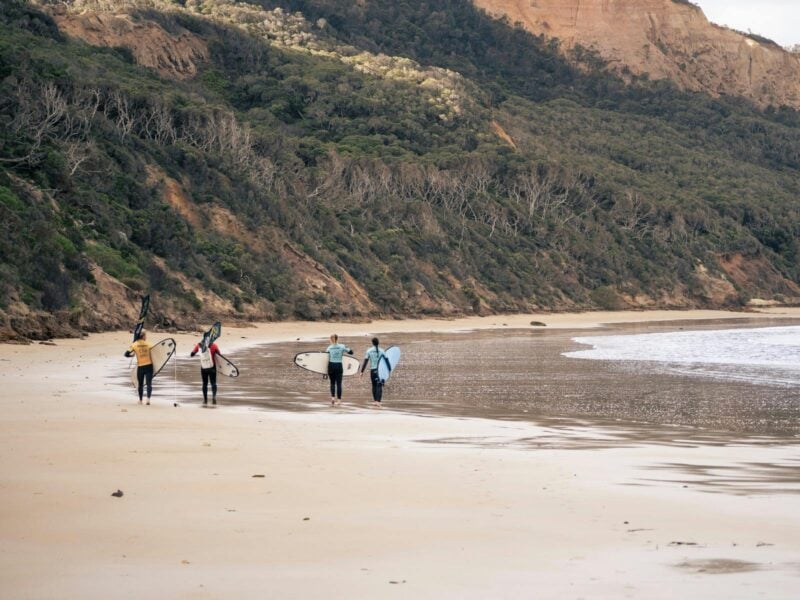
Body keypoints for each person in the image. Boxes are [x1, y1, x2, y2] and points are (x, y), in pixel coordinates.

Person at [190, 335, 223, 406]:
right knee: (213, 383)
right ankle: (214, 397)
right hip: (212, 367)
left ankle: (205, 399)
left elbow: (192, 354)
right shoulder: (214, 345)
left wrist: (196, 352)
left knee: (204, 383)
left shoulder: (199, 345)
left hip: (204, 367)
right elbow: (220, 355)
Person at [360, 337, 391, 407]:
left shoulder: (369, 351)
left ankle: (375, 401)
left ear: (372, 343)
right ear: (378, 342)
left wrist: (362, 371)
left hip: (373, 371)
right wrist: (389, 370)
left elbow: (365, 361)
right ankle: (378, 402)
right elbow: (387, 361)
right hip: (380, 371)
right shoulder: (382, 351)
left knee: (374, 386)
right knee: (379, 386)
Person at [125, 330, 154, 405]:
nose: (146, 337)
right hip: (149, 366)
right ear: (143, 336)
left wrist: (132, 355)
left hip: (140, 367)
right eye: (145, 336)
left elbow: (126, 354)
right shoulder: (149, 344)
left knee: (140, 384)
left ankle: (140, 400)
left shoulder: (134, 345)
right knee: (149, 384)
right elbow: (155, 353)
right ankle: (148, 400)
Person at [325, 334, 353, 406]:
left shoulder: (329, 348)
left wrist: (324, 371)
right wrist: (348, 349)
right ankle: (339, 401)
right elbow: (351, 352)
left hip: (331, 366)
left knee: (332, 383)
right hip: (339, 366)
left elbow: (325, 359)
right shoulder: (342, 346)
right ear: (337, 339)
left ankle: (332, 399)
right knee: (339, 384)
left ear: (331, 339)